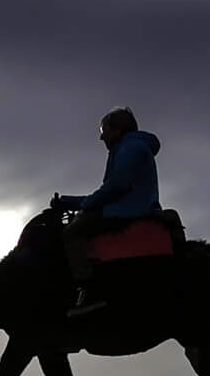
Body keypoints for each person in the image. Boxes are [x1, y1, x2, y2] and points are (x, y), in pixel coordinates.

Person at [50, 107, 161, 314]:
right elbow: (109, 191)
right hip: (130, 207)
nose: (101, 137)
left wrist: (82, 204)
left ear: (118, 130)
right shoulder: (130, 147)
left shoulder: (129, 149)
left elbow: (116, 188)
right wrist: (71, 202)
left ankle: (89, 291)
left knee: (72, 232)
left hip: (128, 210)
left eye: (104, 130)